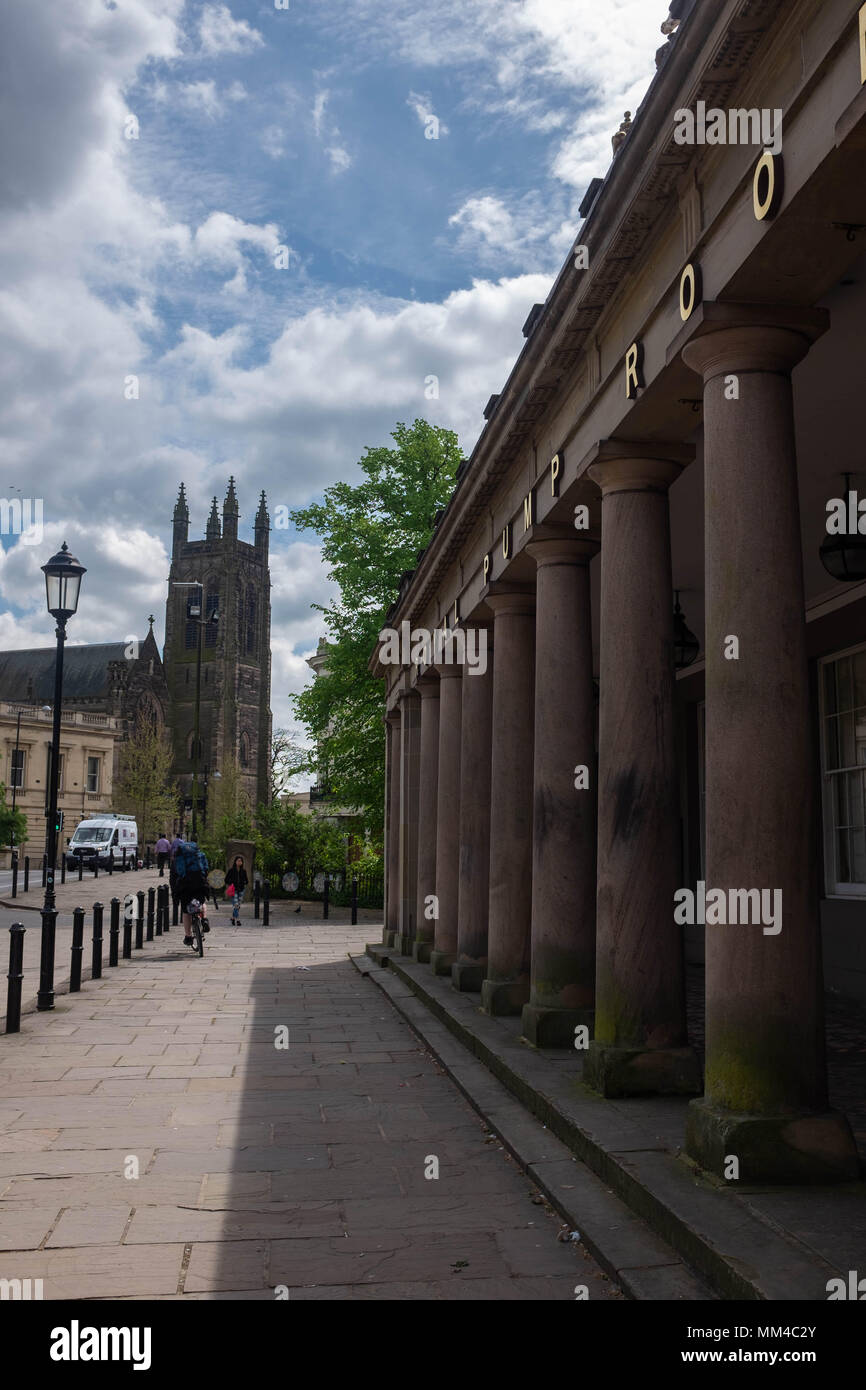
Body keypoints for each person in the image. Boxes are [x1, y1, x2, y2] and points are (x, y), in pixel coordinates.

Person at [174, 840, 211, 946]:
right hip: (199, 882)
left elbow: (176, 873)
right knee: (201, 901)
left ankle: (188, 936)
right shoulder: (200, 855)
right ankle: (204, 920)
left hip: (186, 885)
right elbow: (206, 868)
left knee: (186, 910)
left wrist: (175, 889)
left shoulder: (179, 858)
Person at [224, 855, 248, 924]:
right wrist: (231, 883)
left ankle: (233, 918)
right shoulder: (231, 870)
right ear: (235, 862)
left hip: (241, 889)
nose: (239, 862)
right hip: (233, 890)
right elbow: (226, 880)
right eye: (238, 861)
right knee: (236, 905)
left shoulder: (243, 871)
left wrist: (244, 882)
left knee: (238, 906)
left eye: (241, 861)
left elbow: (247, 881)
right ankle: (238, 919)